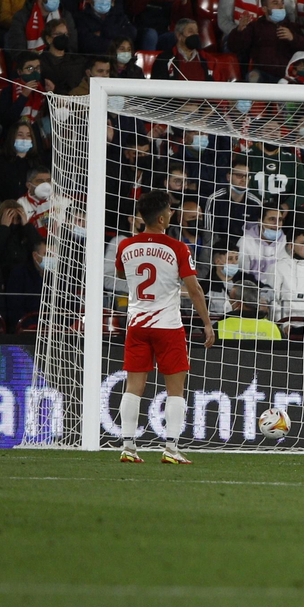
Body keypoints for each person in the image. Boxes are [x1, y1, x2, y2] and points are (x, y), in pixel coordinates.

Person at [113, 190, 215, 465]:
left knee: (133, 387)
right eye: (170, 210)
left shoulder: (126, 246)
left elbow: (122, 273)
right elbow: (194, 289)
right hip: (168, 326)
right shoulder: (178, 248)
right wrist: (207, 323)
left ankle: (128, 446)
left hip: (137, 324)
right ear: (161, 217)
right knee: (175, 389)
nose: (172, 213)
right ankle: (170, 447)